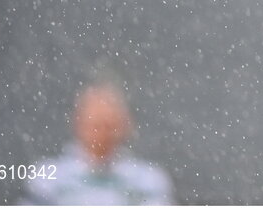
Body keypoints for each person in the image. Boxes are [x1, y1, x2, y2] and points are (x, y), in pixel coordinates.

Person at [21, 82, 174, 205]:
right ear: (77, 123)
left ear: (124, 126)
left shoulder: (148, 179)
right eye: (95, 125)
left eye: (109, 125)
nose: (102, 134)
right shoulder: (48, 175)